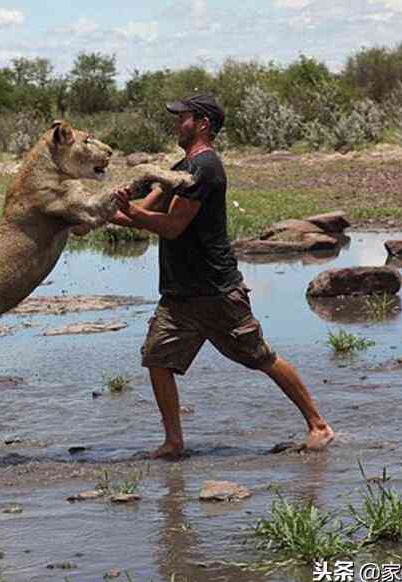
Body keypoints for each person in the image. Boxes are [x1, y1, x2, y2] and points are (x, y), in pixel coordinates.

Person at [110, 93, 335, 459]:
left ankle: (319, 425)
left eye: (182, 117)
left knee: (260, 357)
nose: (176, 122)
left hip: (215, 292)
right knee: (157, 361)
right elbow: (140, 212)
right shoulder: (180, 167)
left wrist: (129, 213)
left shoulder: (206, 169)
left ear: (202, 124)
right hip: (180, 295)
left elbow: (172, 226)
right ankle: (173, 443)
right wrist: (106, 210)